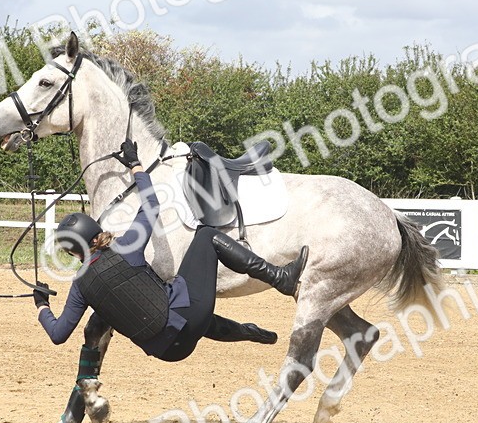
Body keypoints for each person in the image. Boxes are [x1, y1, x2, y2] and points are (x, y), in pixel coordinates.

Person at [33, 140, 308, 363]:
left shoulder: (80, 285)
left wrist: (42, 305)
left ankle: (253, 333)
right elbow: (151, 204)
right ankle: (278, 277)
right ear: (97, 231)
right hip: (187, 320)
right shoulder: (126, 246)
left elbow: (58, 334)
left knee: (178, 314)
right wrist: (135, 165)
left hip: (168, 352)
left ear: (72, 253)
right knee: (207, 236)